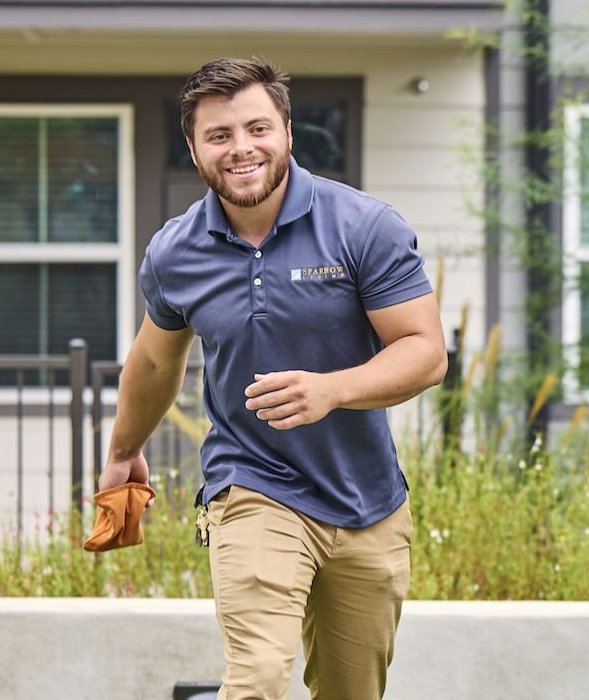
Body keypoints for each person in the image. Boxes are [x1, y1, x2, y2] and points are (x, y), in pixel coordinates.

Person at [99, 57, 446, 700]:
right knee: (256, 676)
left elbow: (425, 351)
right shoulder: (176, 252)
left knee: (351, 692)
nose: (241, 148)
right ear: (194, 149)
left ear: (287, 131)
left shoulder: (363, 227)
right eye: (219, 135)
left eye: (257, 128)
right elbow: (154, 361)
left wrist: (332, 390)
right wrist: (123, 452)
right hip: (252, 483)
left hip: (366, 500)